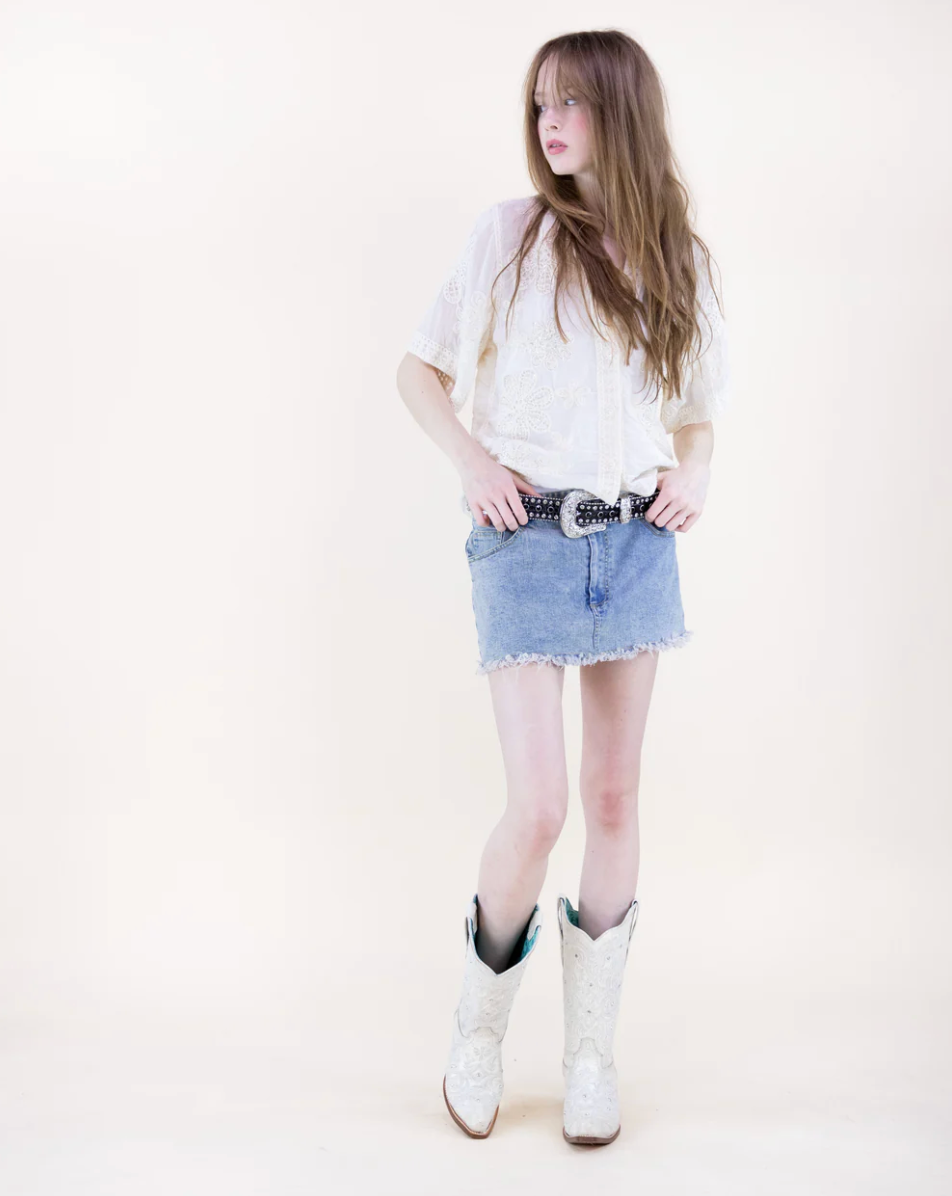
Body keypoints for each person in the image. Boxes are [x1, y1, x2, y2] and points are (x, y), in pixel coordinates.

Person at [395, 29, 730, 1146]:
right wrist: (473, 462)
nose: (550, 122)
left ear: (619, 114)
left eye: (574, 104)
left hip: (632, 539)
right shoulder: (508, 237)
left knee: (615, 797)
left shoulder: (675, 250)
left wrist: (690, 468)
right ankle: (480, 1029)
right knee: (538, 804)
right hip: (526, 541)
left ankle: (591, 1053)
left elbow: (696, 405)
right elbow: (419, 365)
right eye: (542, 102)